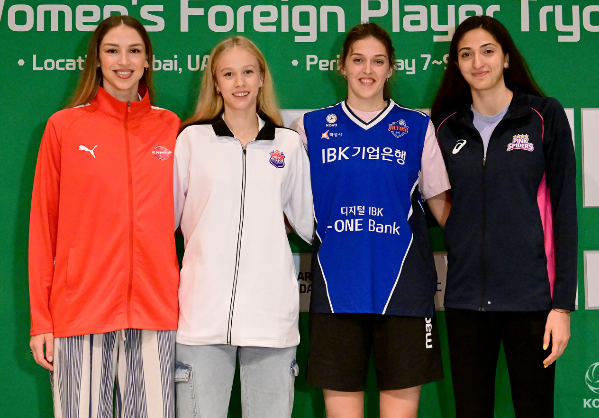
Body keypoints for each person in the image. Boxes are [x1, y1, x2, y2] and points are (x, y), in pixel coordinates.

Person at [292, 23, 450, 418]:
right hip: (337, 290)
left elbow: (442, 209)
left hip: (404, 292)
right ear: (341, 66)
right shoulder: (309, 128)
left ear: (390, 68)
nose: (367, 70)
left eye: (378, 61)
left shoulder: (417, 127)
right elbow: (284, 206)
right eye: (358, 60)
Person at [28, 15, 180, 417]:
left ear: (148, 60)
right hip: (80, 312)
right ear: (96, 59)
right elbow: (43, 227)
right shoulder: (64, 126)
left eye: (134, 51)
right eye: (112, 51)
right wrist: (41, 321)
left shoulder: (170, 127)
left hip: (155, 313)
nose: (123, 61)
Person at [431, 15, 577, 418]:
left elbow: (565, 213)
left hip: (531, 301)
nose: (478, 62)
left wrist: (562, 306)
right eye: (466, 54)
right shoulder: (444, 127)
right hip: (465, 300)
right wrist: (457, 229)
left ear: (506, 58)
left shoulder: (543, 116)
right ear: (456, 64)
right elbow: (429, 199)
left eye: (488, 51)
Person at [173, 36, 313, 418]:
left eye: (248, 72)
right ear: (215, 82)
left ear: (262, 78)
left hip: (272, 319)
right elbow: (163, 222)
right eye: (229, 74)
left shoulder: (287, 144)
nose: (240, 82)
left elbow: (309, 222)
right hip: (201, 317)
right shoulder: (191, 141)